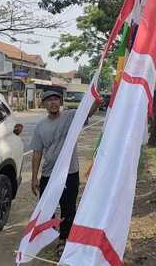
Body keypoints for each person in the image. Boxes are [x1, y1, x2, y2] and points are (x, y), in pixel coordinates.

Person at [29, 90, 98, 256]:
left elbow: (89, 110)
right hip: (49, 174)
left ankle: (63, 240)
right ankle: (51, 233)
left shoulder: (71, 116)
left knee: (68, 208)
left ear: (60, 102)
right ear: (43, 104)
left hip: (70, 173)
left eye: (56, 99)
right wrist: (34, 178)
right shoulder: (40, 126)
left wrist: (96, 101)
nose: (53, 103)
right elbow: (37, 152)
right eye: (49, 100)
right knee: (47, 208)